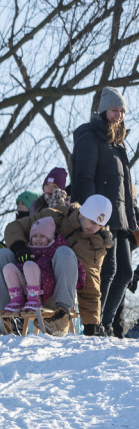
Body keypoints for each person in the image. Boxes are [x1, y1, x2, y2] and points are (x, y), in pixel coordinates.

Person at [71, 86, 138, 337]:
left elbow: (125, 189)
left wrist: (132, 223)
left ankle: (105, 323)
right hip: (99, 218)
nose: (119, 115)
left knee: (125, 272)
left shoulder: (118, 144)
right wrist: (89, 216)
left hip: (119, 220)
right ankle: (94, 325)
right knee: (107, 271)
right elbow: (84, 178)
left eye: (122, 111)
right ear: (103, 111)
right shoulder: (89, 138)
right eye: (114, 110)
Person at [0, 190, 81, 328]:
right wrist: (19, 246)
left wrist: (91, 318)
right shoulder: (40, 219)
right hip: (23, 293)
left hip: (53, 292)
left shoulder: (80, 224)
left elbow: (90, 269)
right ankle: (2, 317)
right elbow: (14, 227)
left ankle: (61, 315)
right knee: (0, 255)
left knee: (65, 253)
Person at [0, 217, 82, 313]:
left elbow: (71, 269)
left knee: (29, 265)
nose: (38, 239)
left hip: (48, 291)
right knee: (9, 268)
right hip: (25, 290)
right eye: (35, 236)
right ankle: (17, 299)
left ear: (50, 238)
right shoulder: (26, 251)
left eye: (42, 236)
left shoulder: (54, 251)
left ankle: (35, 299)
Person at [58, 194, 114, 334]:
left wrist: (91, 326)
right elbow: (21, 225)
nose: (94, 228)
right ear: (83, 213)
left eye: (99, 225)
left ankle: (60, 318)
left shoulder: (96, 244)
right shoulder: (61, 216)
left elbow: (91, 283)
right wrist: (19, 246)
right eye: (92, 221)